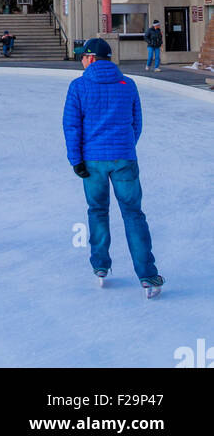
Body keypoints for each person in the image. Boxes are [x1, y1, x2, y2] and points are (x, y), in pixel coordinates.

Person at [62, 37, 163, 296]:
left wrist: (76, 160)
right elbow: (136, 123)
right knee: (133, 214)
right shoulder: (127, 84)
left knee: (97, 210)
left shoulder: (79, 86)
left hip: (92, 161)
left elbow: (72, 127)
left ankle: (100, 265)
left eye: (83, 56)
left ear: (92, 58)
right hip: (124, 159)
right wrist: (125, 147)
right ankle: (148, 275)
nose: (81, 61)